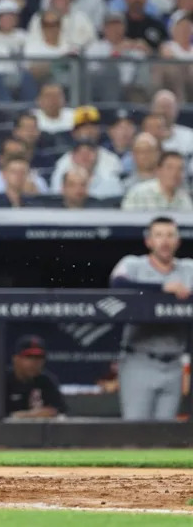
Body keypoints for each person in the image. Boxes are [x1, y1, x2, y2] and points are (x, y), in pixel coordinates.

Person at [110, 217, 191, 421]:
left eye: (170, 235)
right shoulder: (133, 264)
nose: (165, 241)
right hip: (140, 359)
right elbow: (117, 285)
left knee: (165, 437)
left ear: (178, 241)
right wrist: (162, 289)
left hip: (173, 362)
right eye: (159, 235)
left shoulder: (188, 268)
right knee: (136, 433)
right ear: (149, 241)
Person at [6, 335, 66, 419]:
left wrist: (25, 415)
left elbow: (57, 410)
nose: (35, 362)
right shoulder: (2, 380)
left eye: (39, 357)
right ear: (16, 359)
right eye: (29, 357)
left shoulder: (46, 380)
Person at [121, 152, 193, 212]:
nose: (175, 173)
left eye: (180, 169)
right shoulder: (138, 193)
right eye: (169, 168)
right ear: (158, 170)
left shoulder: (184, 199)